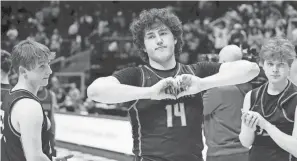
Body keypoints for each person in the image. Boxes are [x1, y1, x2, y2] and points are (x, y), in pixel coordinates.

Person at [87, 8, 260, 161]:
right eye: (151, 36)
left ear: (175, 38)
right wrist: (150, 92)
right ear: (144, 46)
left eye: (163, 33)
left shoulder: (196, 72)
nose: (159, 40)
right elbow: (94, 91)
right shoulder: (136, 75)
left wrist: (202, 83)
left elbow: (251, 69)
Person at [1, 40, 72, 161]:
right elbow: (35, 159)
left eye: (48, 64)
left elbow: (14, 148)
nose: (49, 71)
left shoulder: (9, 96)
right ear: (23, 72)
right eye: (42, 66)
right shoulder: (29, 106)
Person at [239, 37, 297, 161]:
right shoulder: (251, 95)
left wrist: (265, 124)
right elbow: (245, 142)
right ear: (263, 65)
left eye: (280, 64)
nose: (274, 70)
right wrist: (249, 127)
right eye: (270, 64)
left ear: (289, 66)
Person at [202, 45, 252, 161]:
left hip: (221, 154)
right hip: (244, 152)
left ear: (224, 63)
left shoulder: (218, 89)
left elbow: (195, 111)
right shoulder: (248, 86)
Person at [37, 86, 58, 157]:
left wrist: (53, 135)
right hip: (33, 133)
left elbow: (52, 118)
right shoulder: (27, 93)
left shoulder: (51, 95)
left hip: (46, 133)